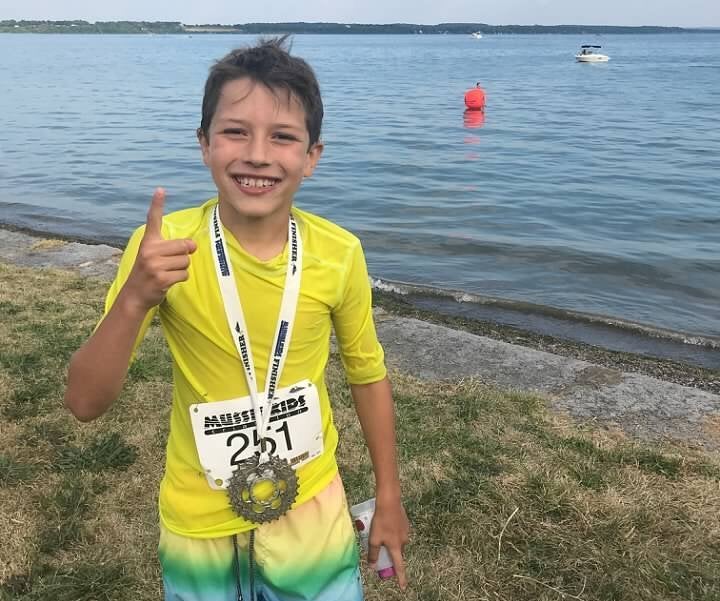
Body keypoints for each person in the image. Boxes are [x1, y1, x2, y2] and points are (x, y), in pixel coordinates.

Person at [65, 36, 409, 601]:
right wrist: (135, 298)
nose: (256, 154)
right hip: (198, 516)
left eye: (282, 136)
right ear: (203, 144)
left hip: (312, 508)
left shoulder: (339, 253)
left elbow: (367, 374)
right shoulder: (163, 247)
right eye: (234, 131)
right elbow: (84, 403)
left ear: (312, 156)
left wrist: (389, 495)